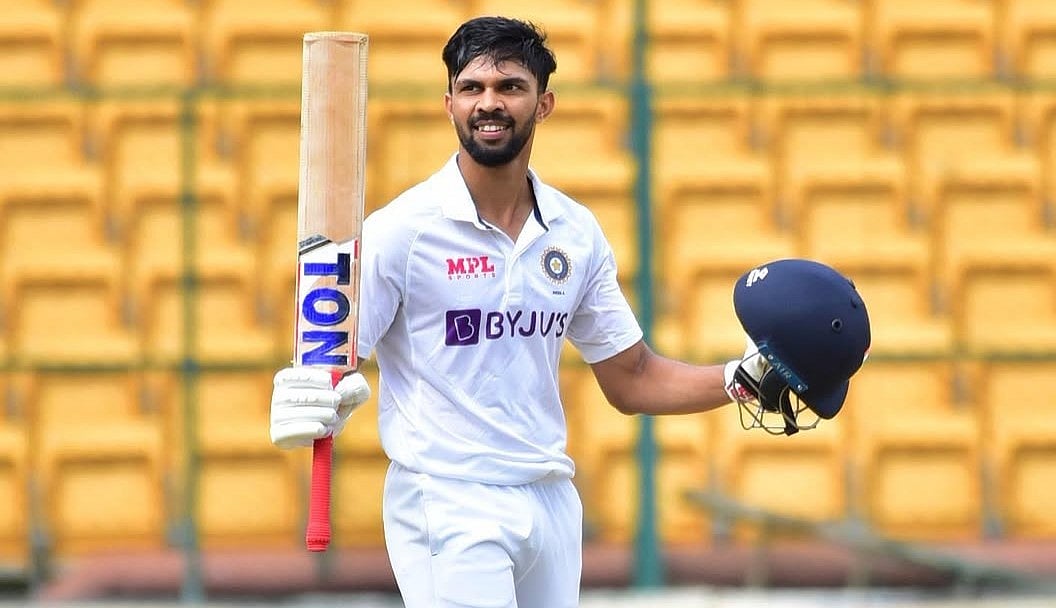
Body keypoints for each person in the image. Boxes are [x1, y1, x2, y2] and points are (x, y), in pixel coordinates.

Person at [269, 16, 870, 608]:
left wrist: (740, 379)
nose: (489, 103)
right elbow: (329, 361)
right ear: (449, 103)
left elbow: (633, 378)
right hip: (447, 497)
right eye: (472, 88)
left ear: (544, 104)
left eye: (510, 87)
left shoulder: (574, 233)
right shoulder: (402, 232)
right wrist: (315, 391)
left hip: (550, 497)